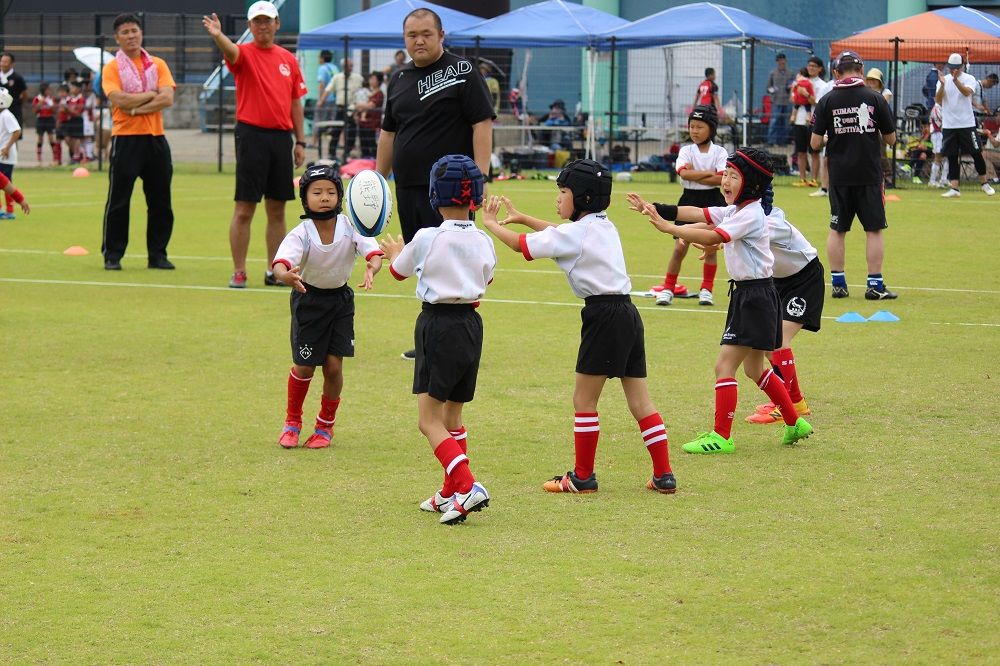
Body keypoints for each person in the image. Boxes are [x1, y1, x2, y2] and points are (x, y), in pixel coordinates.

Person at [482, 159, 677, 495]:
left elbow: (521, 245)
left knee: (583, 400)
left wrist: (490, 223)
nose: (558, 198)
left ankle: (583, 477)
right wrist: (524, 217)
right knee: (641, 402)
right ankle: (664, 475)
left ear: (584, 198)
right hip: (628, 314)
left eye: (563, 192)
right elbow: (559, 234)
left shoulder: (575, 233)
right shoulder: (603, 226)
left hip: (603, 317)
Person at [628, 148, 813, 455]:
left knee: (724, 366)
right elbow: (699, 214)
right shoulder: (737, 210)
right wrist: (655, 208)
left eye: (733, 176)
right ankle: (795, 422)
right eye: (725, 174)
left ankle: (722, 436)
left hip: (754, 296)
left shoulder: (750, 214)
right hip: (753, 294)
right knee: (755, 369)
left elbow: (714, 237)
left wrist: (668, 227)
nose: (725, 181)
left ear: (752, 184)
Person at [378, 155, 495, 524]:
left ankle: (467, 485)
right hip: (472, 325)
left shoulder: (427, 237)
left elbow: (397, 272)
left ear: (433, 194)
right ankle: (450, 491)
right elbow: (487, 278)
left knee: (428, 420)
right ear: (476, 196)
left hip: (437, 325)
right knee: (452, 417)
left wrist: (395, 253)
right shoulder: (483, 238)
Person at [377, 7, 496, 361]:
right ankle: (429, 337)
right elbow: (388, 133)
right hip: (409, 186)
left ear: (442, 35)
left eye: (426, 34)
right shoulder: (398, 78)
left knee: (452, 261)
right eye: (412, 35)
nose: (419, 40)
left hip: (451, 192)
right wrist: (377, 181)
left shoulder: (462, 71)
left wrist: (481, 177)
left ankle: (458, 336)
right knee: (422, 260)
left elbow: (482, 123)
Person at [270, 161, 384, 450]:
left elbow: (373, 252)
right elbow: (281, 264)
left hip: (341, 303)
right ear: (305, 198)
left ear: (340, 197)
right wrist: (285, 275)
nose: (324, 198)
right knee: (304, 366)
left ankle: (325, 426)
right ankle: (292, 422)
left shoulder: (351, 226)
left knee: (333, 367)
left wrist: (372, 266)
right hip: (308, 301)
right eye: (317, 192)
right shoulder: (301, 232)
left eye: (331, 192)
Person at [202, 1, 308, 288]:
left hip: (281, 138)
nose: (263, 26)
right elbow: (231, 51)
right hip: (251, 136)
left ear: (277, 24)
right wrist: (218, 35)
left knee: (277, 209)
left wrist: (300, 140)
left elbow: (295, 103)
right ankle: (239, 270)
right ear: (250, 26)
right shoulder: (244, 54)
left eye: (267, 20)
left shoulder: (288, 59)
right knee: (245, 207)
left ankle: (275, 270)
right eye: (257, 21)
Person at [811, 51, 898, 301]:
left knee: (837, 229)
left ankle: (838, 284)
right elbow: (891, 139)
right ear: (861, 71)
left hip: (839, 176)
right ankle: (874, 285)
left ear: (836, 73)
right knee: (874, 230)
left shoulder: (826, 100)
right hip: (869, 174)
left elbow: (815, 143)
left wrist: (834, 133)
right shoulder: (876, 98)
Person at [100, 13, 177, 272]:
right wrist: (150, 94)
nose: (131, 36)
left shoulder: (158, 64)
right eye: (125, 32)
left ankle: (158, 255)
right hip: (125, 139)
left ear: (141, 33)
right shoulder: (112, 68)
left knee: (160, 201)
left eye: (134, 30)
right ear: (117, 38)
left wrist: (135, 107)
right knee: (119, 200)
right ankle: (113, 255)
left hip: (155, 139)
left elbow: (167, 99)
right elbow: (118, 99)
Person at [649, 105, 726, 307]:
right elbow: (683, 174)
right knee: (680, 247)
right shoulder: (686, 150)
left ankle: (706, 290)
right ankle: (668, 289)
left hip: (712, 200)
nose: (694, 131)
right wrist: (709, 173)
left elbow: (721, 179)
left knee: (710, 247)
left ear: (711, 129)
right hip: (688, 199)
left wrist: (696, 174)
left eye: (700, 127)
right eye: (692, 126)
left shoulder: (720, 152)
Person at [936, 53, 995, 198]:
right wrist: (943, 85)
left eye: (956, 67)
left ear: (961, 66)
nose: (953, 70)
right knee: (951, 156)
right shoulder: (944, 79)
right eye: (951, 67)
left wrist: (955, 81)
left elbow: (966, 92)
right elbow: (938, 100)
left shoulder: (970, 79)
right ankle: (954, 188)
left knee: (976, 153)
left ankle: (985, 184)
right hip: (949, 124)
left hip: (967, 124)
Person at [318, 58, 363, 162]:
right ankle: (331, 154)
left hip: (352, 109)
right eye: (347, 66)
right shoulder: (337, 77)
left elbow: (364, 91)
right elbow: (328, 89)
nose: (349, 68)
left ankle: (347, 154)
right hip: (340, 108)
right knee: (335, 132)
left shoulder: (358, 78)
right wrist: (321, 101)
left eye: (351, 66)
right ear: (343, 67)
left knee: (352, 132)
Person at [806, 56, 831, 198]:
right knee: (824, 157)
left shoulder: (824, 85)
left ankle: (829, 187)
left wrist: (806, 95)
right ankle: (824, 188)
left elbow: (817, 104)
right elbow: (821, 105)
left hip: (828, 124)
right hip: (819, 123)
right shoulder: (829, 85)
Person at [790, 68, 817, 187]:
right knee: (801, 152)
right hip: (798, 122)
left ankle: (814, 179)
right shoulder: (797, 84)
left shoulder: (815, 84)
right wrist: (795, 90)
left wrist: (806, 94)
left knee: (814, 152)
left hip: (812, 123)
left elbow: (815, 102)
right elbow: (792, 99)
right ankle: (802, 179)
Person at [0, 87, 22, 220]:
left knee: (6, 183)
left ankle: (9, 210)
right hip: (2, 154)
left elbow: (17, 131)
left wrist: (7, 148)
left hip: (6, 156)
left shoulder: (6, 115)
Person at [310, 50, 339, 149]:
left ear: (322, 58)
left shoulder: (322, 68)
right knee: (334, 121)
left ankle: (314, 143)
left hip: (325, 99)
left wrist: (320, 99)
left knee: (318, 120)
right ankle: (339, 143)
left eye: (319, 57)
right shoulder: (335, 68)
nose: (318, 59)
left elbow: (322, 85)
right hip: (335, 99)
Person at [355, 71, 384, 159]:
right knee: (363, 145)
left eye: (373, 79)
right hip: (363, 123)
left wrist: (358, 105)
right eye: (370, 78)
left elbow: (371, 105)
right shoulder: (368, 92)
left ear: (379, 81)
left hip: (372, 124)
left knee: (372, 145)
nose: (371, 80)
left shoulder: (379, 94)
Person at [766, 53, 793, 146]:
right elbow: (768, 88)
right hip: (776, 101)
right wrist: (773, 91)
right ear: (777, 62)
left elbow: (793, 86)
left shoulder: (790, 73)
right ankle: (771, 141)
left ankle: (783, 142)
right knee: (774, 121)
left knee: (785, 122)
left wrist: (790, 88)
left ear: (785, 61)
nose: (782, 62)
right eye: (780, 60)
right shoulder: (773, 73)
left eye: (783, 60)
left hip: (787, 101)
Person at [31, 83, 58, 166]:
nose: (49, 91)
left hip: (49, 119)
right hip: (41, 119)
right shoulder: (37, 98)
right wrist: (40, 103)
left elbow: (55, 110)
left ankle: (55, 159)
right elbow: (34, 111)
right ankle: (39, 160)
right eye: (47, 90)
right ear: (43, 90)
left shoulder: (51, 99)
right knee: (40, 139)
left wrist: (50, 104)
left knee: (51, 139)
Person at [0, 53, 28, 128]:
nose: (3, 64)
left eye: (6, 62)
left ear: (12, 64)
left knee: (14, 130)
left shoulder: (17, 78)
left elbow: (24, 93)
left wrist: (18, 105)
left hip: (14, 111)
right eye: (2, 61)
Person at [927, 102, 947, 188]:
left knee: (947, 157)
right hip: (937, 134)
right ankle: (932, 181)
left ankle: (944, 179)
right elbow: (941, 123)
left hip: (943, 134)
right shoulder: (936, 108)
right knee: (938, 157)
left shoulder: (944, 107)